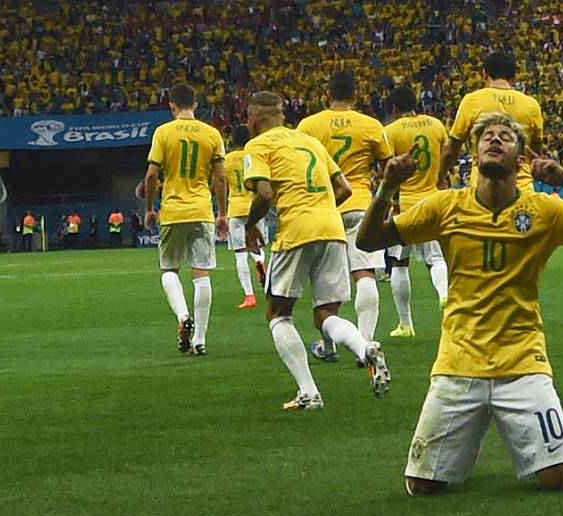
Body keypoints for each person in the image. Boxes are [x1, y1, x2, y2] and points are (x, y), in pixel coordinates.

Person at [357, 112, 563, 494]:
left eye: (505, 136)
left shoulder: (544, 211)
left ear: (521, 159)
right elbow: (369, 242)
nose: (494, 140)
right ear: (474, 152)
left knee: (560, 481)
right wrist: (387, 187)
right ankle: (478, 435)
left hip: (522, 361)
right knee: (420, 487)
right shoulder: (445, 206)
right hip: (458, 360)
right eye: (486, 136)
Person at [242, 91, 390, 409]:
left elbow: (265, 194)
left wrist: (250, 226)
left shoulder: (258, 145)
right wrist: (321, 210)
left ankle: (308, 392)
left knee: (278, 314)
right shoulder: (310, 142)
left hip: (296, 229)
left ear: (253, 118)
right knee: (325, 314)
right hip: (332, 228)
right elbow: (345, 188)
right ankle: (364, 348)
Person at [297, 71, 393, 352]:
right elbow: (387, 166)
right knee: (364, 272)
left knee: (326, 282)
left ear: (328, 94)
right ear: (356, 94)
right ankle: (364, 343)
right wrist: (385, 199)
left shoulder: (308, 125)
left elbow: (301, 165)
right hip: (361, 205)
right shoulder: (370, 125)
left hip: (325, 208)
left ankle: (329, 347)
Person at [143, 82, 229, 356]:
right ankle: (200, 340)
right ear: (195, 104)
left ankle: (182, 316)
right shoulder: (211, 134)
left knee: (169, 270)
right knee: (201, 273)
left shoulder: (164, 132)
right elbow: (221, 177)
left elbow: (152, 176)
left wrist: (149, 208)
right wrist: (223, 212)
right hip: (202, 210)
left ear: (171, 105)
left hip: (173, 210)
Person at [382, 85, 449, 338]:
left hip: (405, 203)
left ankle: (406, 324)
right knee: (437, 259)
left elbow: (388, 168)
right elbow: (446, 157)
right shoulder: (436, 125)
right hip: (433, 198)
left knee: (400, 262)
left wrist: (392, 199)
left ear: (394, 108)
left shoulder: (391, 131)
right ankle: (444, 295)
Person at [440, 51, 543, 189]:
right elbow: (535, 155)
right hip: (521, 188)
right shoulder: (531, 105)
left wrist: (440, 177)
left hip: (483, 189)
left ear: (484, 74)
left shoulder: (472, 101)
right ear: (513, 78)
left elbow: (451, 151)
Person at [224, 124, 268, 309]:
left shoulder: (226, 160)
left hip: (235, 208)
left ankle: (249, 296)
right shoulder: (253, 157)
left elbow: (221, 181)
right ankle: (261, 267)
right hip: (254, 207)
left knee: (240, 254)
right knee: (257, 247)